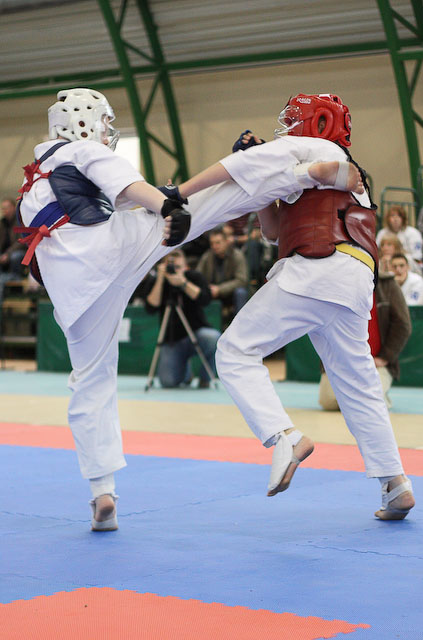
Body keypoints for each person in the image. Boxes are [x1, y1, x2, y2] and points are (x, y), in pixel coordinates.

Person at [15, 86, 366, 532]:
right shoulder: (81, 150)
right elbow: (131, 186)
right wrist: (168, 205)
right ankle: (304, 173)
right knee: (210, 201)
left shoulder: (34, 183)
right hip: (106, 250)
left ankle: (102, 493)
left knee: (90, 381)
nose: (106, 131)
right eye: (103, 122)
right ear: (82, 122)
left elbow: (110, 209)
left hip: (75, 294)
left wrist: (159, 200)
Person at [173, 93, 415, 521]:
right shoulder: (315, 163)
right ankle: (395, 484)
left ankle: (284, 435)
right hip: (353, 279)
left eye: (293, 120)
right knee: (357, 385)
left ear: (317, 123)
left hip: (317, 270)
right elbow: (272, 230)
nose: (285, 128)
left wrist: (179, 191)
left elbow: (251, 170)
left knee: (234, 351)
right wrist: (269, 182)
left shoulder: (311, 148)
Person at [319, 271, 412, 410]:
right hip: (340, 362)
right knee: (329, 401)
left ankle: (376, 398)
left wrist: (385, 358)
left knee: (372, 402)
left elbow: (403, 325)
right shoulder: (334, 282)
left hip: (377, 363)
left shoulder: (388, 284)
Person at [144, 249, 220, 388]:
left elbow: (205, 299)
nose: (174, 270)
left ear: (186, 267)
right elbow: (150, 308)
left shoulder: (194, 277)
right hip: (172, 339)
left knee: (213, 338)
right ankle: (186, 373)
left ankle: (206, 378)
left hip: (196, 333)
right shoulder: (157, 280)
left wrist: (183, 283)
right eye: (170, 266)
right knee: (168, 382)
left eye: (178, 267)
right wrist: (160, 279)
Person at [197, 226, 249, 327]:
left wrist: (220, 289)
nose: (214, 246)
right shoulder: (207, 257)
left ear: (226, 242)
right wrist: (207, 288)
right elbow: (198, 276)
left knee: (241, 292)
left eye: (218, 243)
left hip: (231, 292)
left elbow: (242, 280)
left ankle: (241, 326)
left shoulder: (237, 255)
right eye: (212, 243)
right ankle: (203, 326)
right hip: (212, 291)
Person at [377, 204, 423, 274]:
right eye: (392, 216)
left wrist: (395, 259)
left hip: (410, 268)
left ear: (403, 218)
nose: (395, 219)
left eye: (399, 216)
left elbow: (417, 258)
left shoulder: (413, 233)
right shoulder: (382, 233)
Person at [0, 197, 26, 305]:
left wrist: (7, 254)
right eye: (3, 208)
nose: (5, 211)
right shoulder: (2, 223)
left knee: (15, 256)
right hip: (4, 254)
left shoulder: (20, 221)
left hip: (18, 252)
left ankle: (16, 276)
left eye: (7, 208)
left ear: (13, 208)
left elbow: (21, 241)